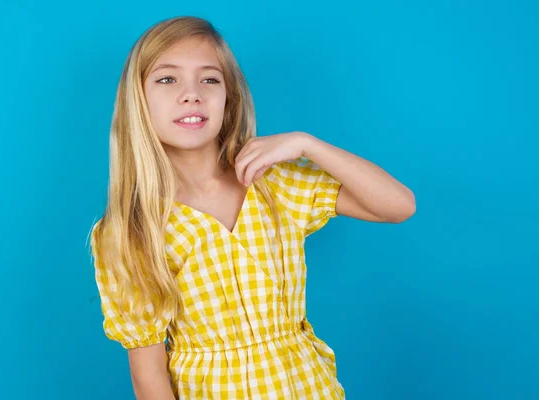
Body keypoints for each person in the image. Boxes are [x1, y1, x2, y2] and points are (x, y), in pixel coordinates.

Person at [89, 15, 415, 400]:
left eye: (209, 79)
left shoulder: (274, 183)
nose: (191, 94)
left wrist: (307, 144)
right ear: (138, 100)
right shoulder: (132, 230)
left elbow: (398, 206)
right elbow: (149, 377)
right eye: (167, 79)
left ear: (230, 98)